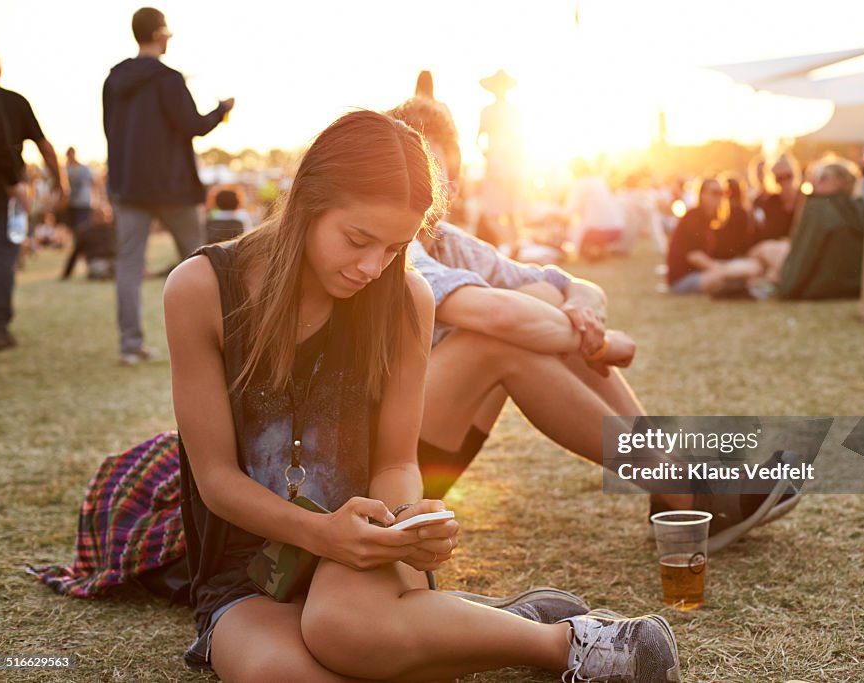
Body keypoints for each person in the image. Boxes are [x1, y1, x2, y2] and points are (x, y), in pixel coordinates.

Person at [164, 109, 681, 683]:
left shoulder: (407, 296)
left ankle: (568, 644)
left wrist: (408, 520)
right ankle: (491, 625)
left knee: (344, 630)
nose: (371, 266)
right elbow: (216, 481)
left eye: (394, 247)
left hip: (370, 550)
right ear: (308, 200)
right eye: (358, 239)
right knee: (278, 674)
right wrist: (320, 533)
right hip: (246, 569)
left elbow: (395, 461)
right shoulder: (202, 288)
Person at [388, 97, 795, 552]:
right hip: (381, 471)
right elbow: (493, 315)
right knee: (501, 339)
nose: (430, 195)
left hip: (422, 445)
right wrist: (598, 343)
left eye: (442, 180)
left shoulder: (451, 242)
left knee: (537, 301)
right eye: (414, 177)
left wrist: (581, 312)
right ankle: (687, 491)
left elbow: (569, 285)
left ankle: (673, 486)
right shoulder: (393, 247)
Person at [103, 6, 234, 366]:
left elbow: (109, 132)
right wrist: (221, 110)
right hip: (174, 188)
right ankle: (221, 341)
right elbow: (193, 125)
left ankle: (130, 347)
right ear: (160, 35)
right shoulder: (169, 79)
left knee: (129, 266)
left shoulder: (114, 80)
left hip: (129, 187)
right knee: (203, 262)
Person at [687, 158, 864, 300]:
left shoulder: (818, 206)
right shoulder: (859, 206)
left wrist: (786, 287)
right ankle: (729, 276)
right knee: (763, 256)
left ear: (841, 182)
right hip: (844, 281)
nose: (817, 183)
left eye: (824, 178)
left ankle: (726, 276)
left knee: (763, 254)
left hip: (816, 276)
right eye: (778, 178)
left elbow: (806, 253)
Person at [0, 52, 62, 351]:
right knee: (2, 257)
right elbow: (43, 146)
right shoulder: (11, 101)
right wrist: (58, 182)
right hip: (2, 193)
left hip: (3, 192)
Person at [478, 69, 524, 254]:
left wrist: (488, 155)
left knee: (493, 213)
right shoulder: (513, 111)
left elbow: (478, 138)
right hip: (513, 166)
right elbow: (521, 140)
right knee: (512, 212)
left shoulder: (488, 111)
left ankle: (510, 245)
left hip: (497, 164)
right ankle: (513, 245)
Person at [61, 147, 95, 279]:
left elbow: (93, 183)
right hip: (71, 205)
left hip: (84, 204)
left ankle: (86, 261)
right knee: (77, 234)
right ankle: (80, 261)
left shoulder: (83, 169)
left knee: (84, 233)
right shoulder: (66, 170)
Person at [753, 153, 800, 242]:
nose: (784, 182)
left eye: (788, 176)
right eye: (779, 178)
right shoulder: (770, 202)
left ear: (794, 174)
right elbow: (768, 234)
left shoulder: (805, 199)